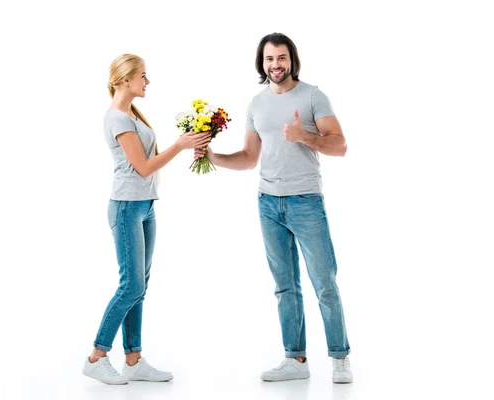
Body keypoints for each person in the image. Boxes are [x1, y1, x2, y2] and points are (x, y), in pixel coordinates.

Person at [195, 33, 353, 384]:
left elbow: (340, 146)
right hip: (268, 203)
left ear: (292, 60)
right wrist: (213, 157)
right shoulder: (257, 103)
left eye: (281, 58)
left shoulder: (313, 96)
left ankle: (340, 357)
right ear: (261, 63)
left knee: (324, 282)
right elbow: (250, 158)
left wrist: (305, 137)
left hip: (306, 202)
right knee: (285, 286)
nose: (275, 65)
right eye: (269, 59)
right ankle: (295, 359)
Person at [83, 54, 211, 385]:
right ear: (125, 80)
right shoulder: (117, 119)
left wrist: (192, 145)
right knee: (132, 285)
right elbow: (143, 167)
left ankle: (133, 359)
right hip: (126, 207)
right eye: (142, 75)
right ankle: (97, 357)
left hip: (145, 205)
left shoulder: (131, 115)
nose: (147, 81)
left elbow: (148, 162)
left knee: (140, 287)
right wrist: (181, 145)